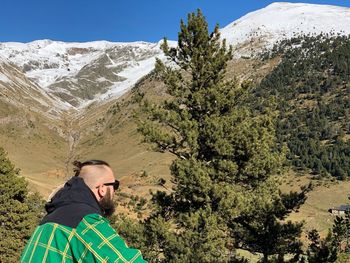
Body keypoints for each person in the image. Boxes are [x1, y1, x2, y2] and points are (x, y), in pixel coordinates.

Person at [20, 160, 147, 263]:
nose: (115, 191)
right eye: (115, 185)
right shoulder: (84, 220)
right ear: (102, 188)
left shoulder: (50, 218)